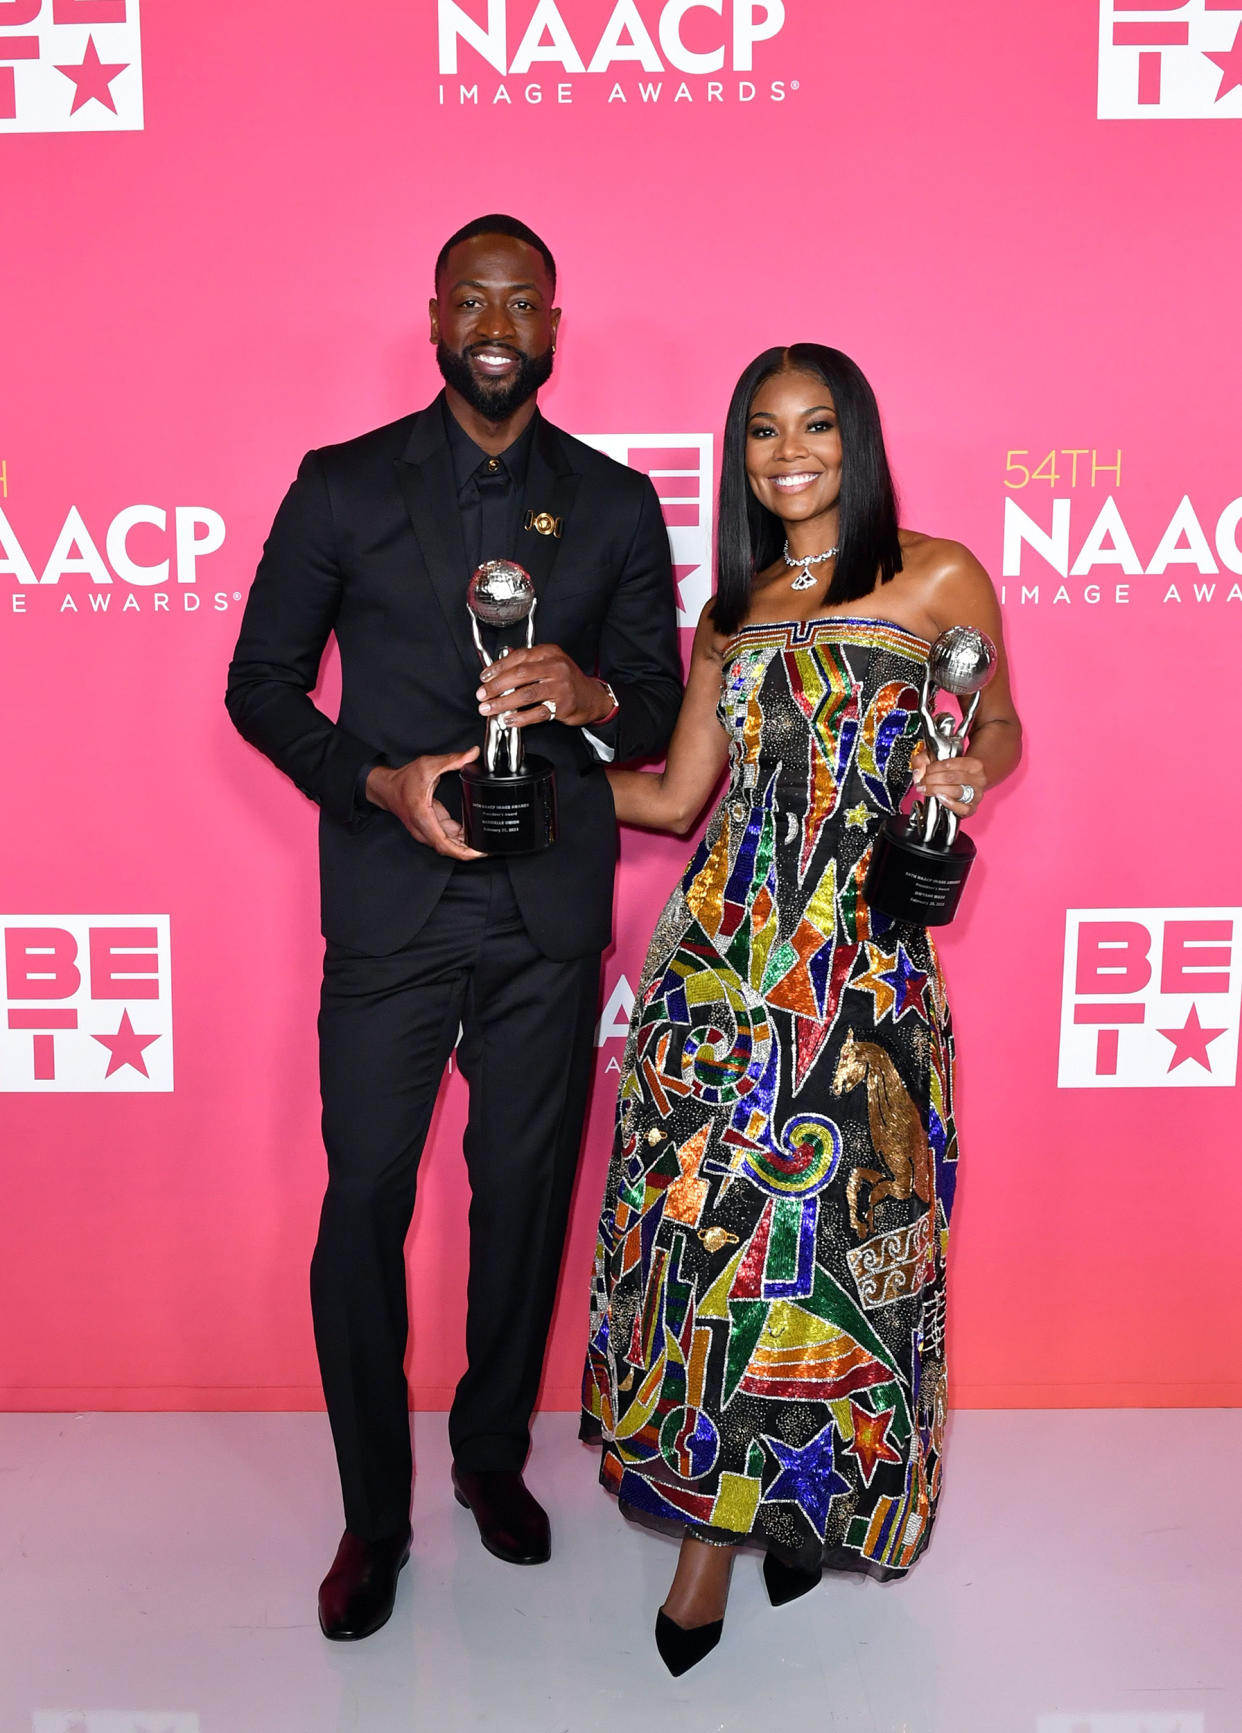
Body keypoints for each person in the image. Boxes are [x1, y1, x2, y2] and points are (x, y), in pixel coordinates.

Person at [226, 214, 683, 1642]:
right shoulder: (342, 485)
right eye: (472, 297)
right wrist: (379, 780)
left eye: (523, 299)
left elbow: (664, 711)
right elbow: (260, 684)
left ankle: (489, 1454)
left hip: (546, 904)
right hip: (392, 897)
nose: (497, 319)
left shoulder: (611, 505)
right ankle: (373, 1516)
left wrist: (588, 694)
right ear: (433, 319)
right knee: (363, 1193)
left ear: (554, 325)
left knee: (522, 1195)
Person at [580, 344, 1022, 1674]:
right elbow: (670, 801)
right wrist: (534, 767)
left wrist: (965, 765)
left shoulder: (936, 575)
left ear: (857, 437)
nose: (789, 453)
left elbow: (1000, 727)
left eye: (815, 426)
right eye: (764, 431)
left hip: (869, 974)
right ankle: (707, 1542)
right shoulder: (728, 612)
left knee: (839, 1244)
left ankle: (805, 1496)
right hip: (718, 975)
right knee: (712, 1246)